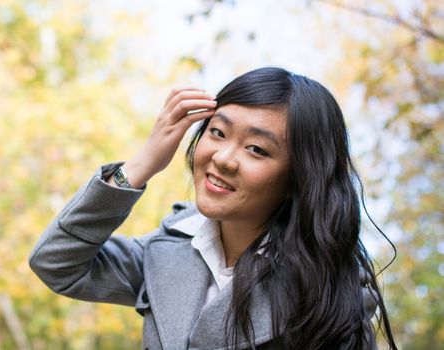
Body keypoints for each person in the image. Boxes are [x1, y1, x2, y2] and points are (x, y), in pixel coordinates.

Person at [29, 67, 397, 349]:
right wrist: (142, 165)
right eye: (217, 132)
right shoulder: (165, 252)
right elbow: (57, 263)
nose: (223, 158)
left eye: (257, 149)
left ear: (298, 179)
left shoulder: (332, 287)